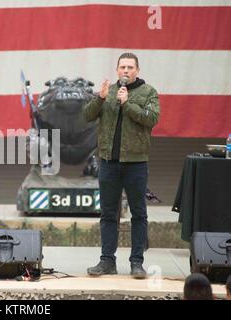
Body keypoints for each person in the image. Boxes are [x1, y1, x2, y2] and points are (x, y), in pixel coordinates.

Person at [83, 53, 160, 279]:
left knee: (138, 213)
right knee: (108, 213)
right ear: (117, 70)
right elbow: (87, 115)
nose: (125, 71)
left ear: (137, 70)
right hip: (108, 163)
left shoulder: (148, 92)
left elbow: (152, 118)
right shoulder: (108, 92)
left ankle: (137, 262)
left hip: (135, 163)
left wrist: (127, 104)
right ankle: (107, 261)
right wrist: (100, 97)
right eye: (122, 67)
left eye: (130, 67)